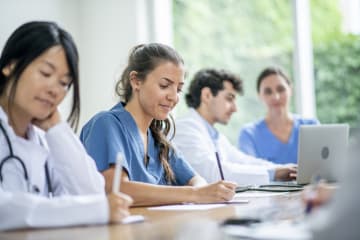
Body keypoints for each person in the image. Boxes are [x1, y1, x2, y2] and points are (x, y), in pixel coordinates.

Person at [0, 21, 132, 231]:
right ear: (10, 65)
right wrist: (93, 209)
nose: (55, 90)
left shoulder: (44, 139)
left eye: (64, 83)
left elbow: (91, 195)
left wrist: (57, 130)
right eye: (45, 73)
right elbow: (5, 209)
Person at [80, 43, 236, 206]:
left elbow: (196, 180)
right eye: (164, 85)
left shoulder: (158, 140)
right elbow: (117, 189)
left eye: (178, 89)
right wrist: (194, 194)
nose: (174, 97)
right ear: (136, 81)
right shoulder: (106, 124)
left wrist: (202, 191)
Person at [173, 68, 296, 185]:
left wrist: (281, 169)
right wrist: (274, 173)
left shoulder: (215, 135)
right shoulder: (185, 128)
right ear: (207, 95)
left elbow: (243, 161)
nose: (235, 108)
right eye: (229, 98)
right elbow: (212, 172)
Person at [238, 67, 319, 164]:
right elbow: (249, 171)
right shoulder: (249, 134)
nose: (276, 97)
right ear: (259, 96)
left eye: (281, 89)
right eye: (268, 92)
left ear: (290, 90)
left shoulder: (311, 126)